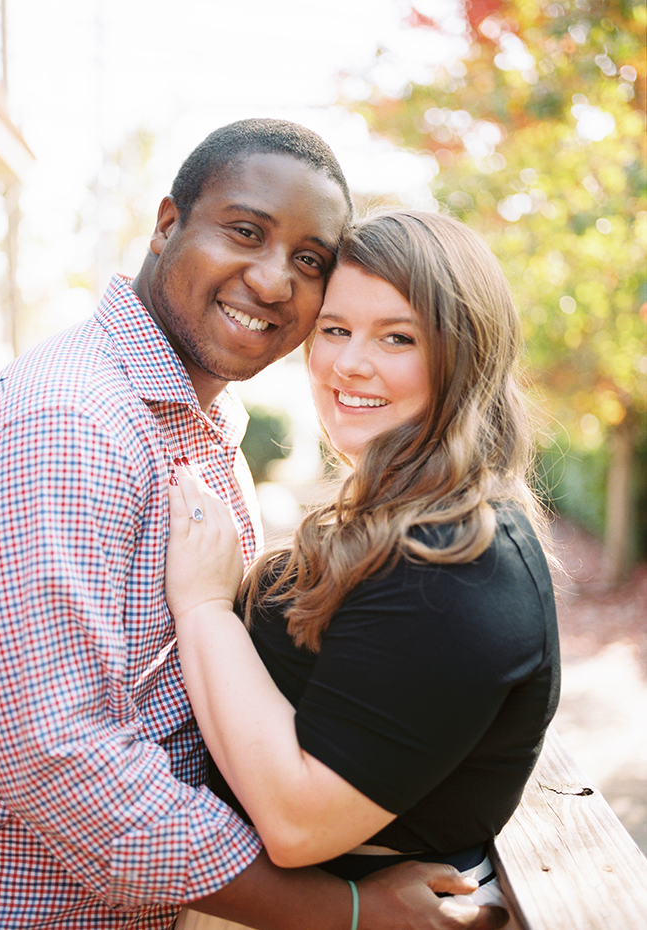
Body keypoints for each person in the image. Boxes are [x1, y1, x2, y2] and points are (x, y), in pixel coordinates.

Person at [0, 121, 506, 930]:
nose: (276, 281)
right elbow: (66, 764)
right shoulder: (69, 425)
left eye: (310, 260)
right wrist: (343, 908)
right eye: (245, 231)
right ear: (168, 224)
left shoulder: (196, 427)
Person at [165, 210, 562, 929]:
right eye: (336, 329)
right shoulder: (400, 516)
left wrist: (201, 607)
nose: (350, 363)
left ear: (463, 355)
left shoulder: (453, 564)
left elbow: (298, 822)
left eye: (398, 338)